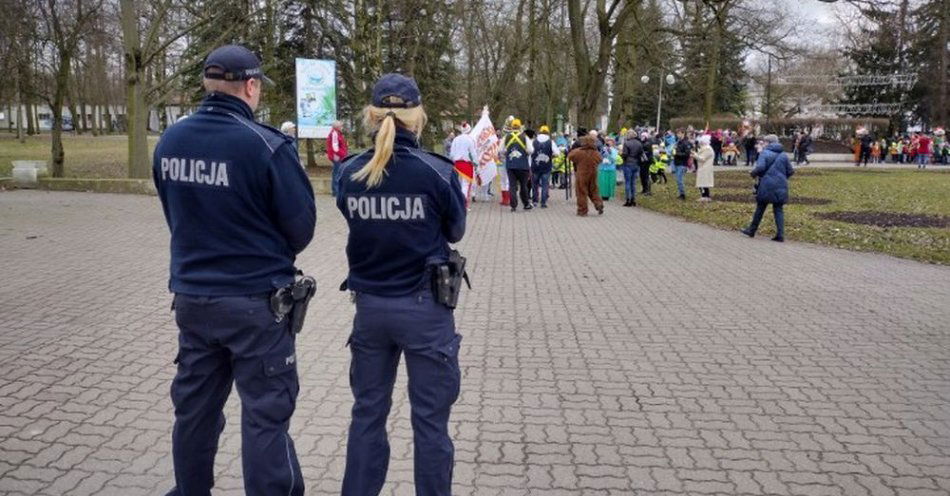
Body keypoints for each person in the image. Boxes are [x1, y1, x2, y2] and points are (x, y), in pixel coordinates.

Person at [153, 44, 315, 496]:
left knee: (194, 411)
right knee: (266, 413)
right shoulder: (266, 145)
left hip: (193, 300)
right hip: (255, 307)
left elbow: (175, 214)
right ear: (250, 86)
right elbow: (301, 229)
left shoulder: (171, 140)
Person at [336, 73, 466, 496]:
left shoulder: (349, 172)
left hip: (370, 310)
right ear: (418, 116)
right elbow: (456, 230)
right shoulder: (437, 171)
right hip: (424, 310)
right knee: (430, 421)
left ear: (372, 116)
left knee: (367, 413)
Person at [742, 134, 794, 242]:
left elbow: (760, 167)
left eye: (765, 142)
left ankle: (752, 230)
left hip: (766, 184)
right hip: (781, 185)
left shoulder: (764, 153)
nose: (763, 143)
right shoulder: (784, 155)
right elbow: (790, 171)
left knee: (760, 207)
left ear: (769, 143)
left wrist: (753, 173)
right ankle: (780, 234)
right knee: (778, 209)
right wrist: (782, 178)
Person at [567, 135, 604, 216]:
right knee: (593, 190)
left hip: (582, 174)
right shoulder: (596, 153)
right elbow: (600, 159)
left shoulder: (578, 152)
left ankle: (582, 210)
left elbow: (570, 156)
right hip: (593, 173)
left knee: (581, 192)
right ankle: (598, 203)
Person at [503, 118, 533, 211]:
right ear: (520, 127)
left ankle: (513, 206)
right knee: (523, 185)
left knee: (512, 185)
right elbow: (531, 150)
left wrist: (506, 153)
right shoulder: (525, 137)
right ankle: (526, 204)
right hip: (523, 165)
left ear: (511, 127)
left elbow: (501, 150)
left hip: (510, 165)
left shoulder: (506, 137)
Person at [449, 122, 478, 209]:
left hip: (456, 164)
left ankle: (456, 204)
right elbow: (473, 154)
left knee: (458, 185)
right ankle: (464, 205)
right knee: (466, 186)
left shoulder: (455, 139)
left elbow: (452, 154)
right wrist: (476, 163)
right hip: (466, 164)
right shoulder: (470, 140)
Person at [531, 125, 558, 208]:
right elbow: (557, 153)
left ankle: (535, 201)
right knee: (545, 184)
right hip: (546, 166)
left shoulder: (534, 141)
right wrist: (551, 156)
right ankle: (543, 202)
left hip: (535, 166)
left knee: (535, 184)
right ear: (548, 132)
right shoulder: (551, 142)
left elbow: (529, 151)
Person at [619, 129, 643, 206]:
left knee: (628, 182)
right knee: (633, 183)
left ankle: (628, 200)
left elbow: (625, 154)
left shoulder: (626, 143)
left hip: (628, 163)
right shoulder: (639, 143)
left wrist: (621, 155)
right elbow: (641, 153)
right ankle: (633, 199)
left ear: (629, 135)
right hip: (636, 163)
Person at [328, 120, 349, 195]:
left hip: (338, 156)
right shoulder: (334, 133)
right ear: (337, 127)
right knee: (337, 173)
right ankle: (335, 191)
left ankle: (336, 190)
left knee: (337, 172)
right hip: (337, 156)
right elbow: (335, 147)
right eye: (341, 126)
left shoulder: (338, 133)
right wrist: (343, 154)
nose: (342, 127)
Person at [692, 134, 715, 201]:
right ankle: (704, 196)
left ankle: (705, 196)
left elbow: (702, 158)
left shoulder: (708, 149)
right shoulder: (705, 148)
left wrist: (694, 155)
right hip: (703, 167)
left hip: (705, 168)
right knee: (702, 183)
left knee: (704, 183)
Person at [598, 136, 619, 202]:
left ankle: (608, 195)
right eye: (608, 142)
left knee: (609, 183)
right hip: (603, 168)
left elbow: (614, 158)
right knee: (603, 182)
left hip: (610, 168)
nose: (609, 143)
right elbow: (599, 156)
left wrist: (609, 156)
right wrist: (602, 156)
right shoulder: (603, 148)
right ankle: (603, 195)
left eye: (610, 142)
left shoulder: (614, 150)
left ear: (613, 143)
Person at [672, 129, 691, 200]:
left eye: (679, 133)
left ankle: (682, 194)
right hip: (676, 162)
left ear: (683, 134)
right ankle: (680, 193)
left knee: (680, 179)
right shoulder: (678, 142)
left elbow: (687, 154)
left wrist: (677, 154)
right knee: (677, 179)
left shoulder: (686, 143)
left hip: (682, 163)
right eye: (677, 134)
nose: (678, 135)